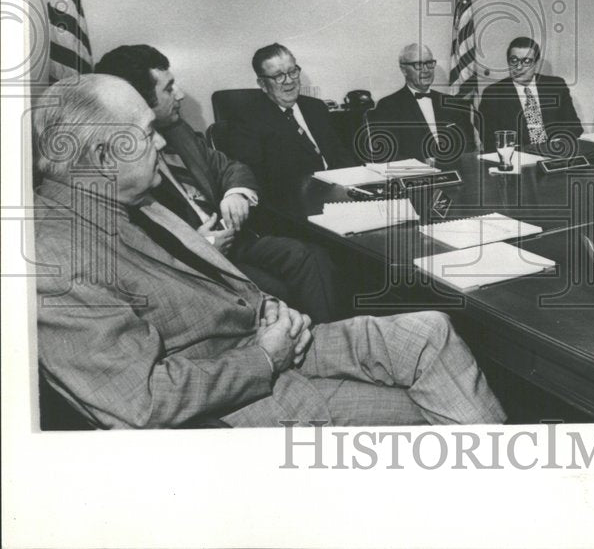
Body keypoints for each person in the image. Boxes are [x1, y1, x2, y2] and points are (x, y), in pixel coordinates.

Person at [32, 74, 506, 429]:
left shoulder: (127, 198)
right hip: (236, 403)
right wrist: (263, 358)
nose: (160, 141)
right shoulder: (56, 260)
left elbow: (202, 280)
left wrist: (268, 307)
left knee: (429, 329)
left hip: (261, 339)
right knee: (436, 417)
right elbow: (141, 401)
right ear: (101, 157)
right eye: (145, 131)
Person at [95, 44, 340, 322]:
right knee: (273, 290)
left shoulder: (178, 130)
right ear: (138, 99)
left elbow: (229, 166)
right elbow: (138, 245)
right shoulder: (117, 160)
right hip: (190, 262)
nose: (181, 94)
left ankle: (327, 339)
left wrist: (236, 192)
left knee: (310, 256)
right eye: (168, 88)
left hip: (233, 239)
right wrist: (197, 244)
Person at [228, 43, 354, 202]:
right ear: (262, 84)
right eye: (278, 76)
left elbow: (340, 155)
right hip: (296, 201)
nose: (289, 81)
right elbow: (258, 179)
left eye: (293, 72)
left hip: (341, 193)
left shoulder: (316, 107)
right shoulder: (247, 121)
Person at [364, 43, 477, 162]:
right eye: (418, 64)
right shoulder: (388, 106)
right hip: (415, 176)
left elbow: (469, 147)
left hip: (458, 173)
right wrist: (423, 162)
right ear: (404, 70)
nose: (426, 70)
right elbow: (387, 153)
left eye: (429, 63)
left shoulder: (453, 103)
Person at [479, 36, 583, 152]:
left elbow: (575, 128)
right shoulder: (493, 93)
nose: (519, 67)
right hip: (517, 160)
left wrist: (551, 146)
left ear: (536, 64)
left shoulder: (555, 86)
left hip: (554, 154)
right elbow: (490, 140)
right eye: (514, 60)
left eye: (526, 61)